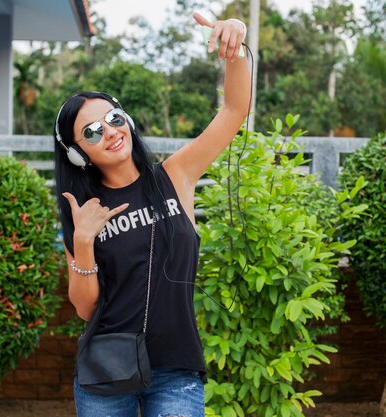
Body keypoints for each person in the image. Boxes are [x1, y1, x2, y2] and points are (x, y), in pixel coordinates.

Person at [53, 11, 251, 417]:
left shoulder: (174, 177)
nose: (109, 132)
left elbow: (233, 111)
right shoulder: (82, 211)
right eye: (91, 132)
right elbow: (86, 309)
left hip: (175, 369)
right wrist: (84, 242)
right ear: (77, 153)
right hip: (106, 371)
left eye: (113, 119)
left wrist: (235, 46)